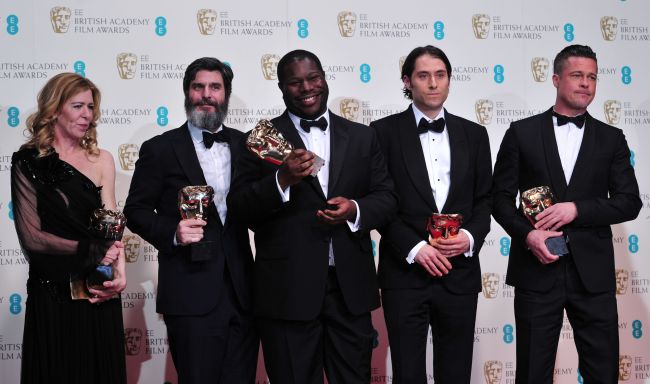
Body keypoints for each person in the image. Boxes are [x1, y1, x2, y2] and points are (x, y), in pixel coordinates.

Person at [228, 49, 397, 384]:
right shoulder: (259, 139)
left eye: (313, 78)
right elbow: (240, 207)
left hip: (349, 290)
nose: (306, 87)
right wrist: (282, 180)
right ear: (281, 88)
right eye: (295, 82)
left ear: (323, 78)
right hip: (287, 292)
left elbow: (387, 198)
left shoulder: (363, 136)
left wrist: (354, 210)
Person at [492, 44, 642, 383]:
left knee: (603, 372)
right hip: (536, 268)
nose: (586, 83)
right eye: (577, 75)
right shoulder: (522, 132)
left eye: (592, 77)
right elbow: (498, 199)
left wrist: (578, 209)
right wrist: (529, 235)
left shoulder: (611, 139)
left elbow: (630, 202)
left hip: (592, 274)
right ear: (557, 79)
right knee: (532, 372)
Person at [123, 57, 257, 383]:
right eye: (199, 87)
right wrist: (173, 232)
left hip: (244, 293)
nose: (207, 95)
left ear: (225, 94)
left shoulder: (246, 145)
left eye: (215, 87)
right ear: (187, 93)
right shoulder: (160, 148)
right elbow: (135, 211)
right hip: (189, 292)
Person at [371, 45, 492, 384]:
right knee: (407, 373)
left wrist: (468, 238)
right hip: (404, 273)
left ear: (449, 80)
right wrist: (415, 249)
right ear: (407, 82)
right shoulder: (381, 133)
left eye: (440, 75)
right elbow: (381, 204)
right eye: (423, 76)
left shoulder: (475, 134)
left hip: (460, 271)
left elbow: (486, 200)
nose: (433, 83)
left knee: (456, 372)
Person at [10, 72, 126, 383]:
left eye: (90, 107)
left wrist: (120, 272)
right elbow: (32, 237)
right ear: (54, 109)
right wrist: (94, 251)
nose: (87, 114)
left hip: (98, 289)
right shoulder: (28, 162)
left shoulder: (102, 159)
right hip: (53, 292)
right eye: (77, 106)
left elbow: (112, 220)